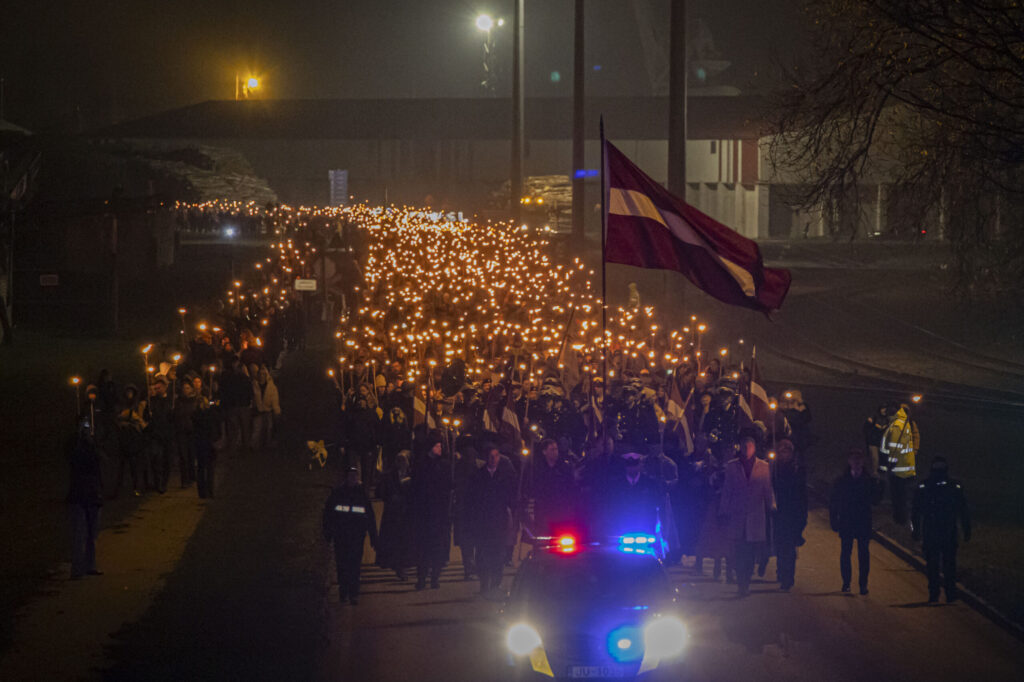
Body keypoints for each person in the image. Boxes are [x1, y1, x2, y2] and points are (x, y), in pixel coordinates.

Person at [719, 435, 776, 596]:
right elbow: (727, 489)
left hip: (755, 515)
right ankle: (740, 581)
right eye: (744, 447)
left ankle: (746, 581)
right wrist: (723, 510)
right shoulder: (732, 466)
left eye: (750, 447)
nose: (747, 450)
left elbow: (767, 489)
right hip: (737, 515)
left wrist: (771, 504)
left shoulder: (763, 466)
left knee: (750, 552)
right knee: (738, 551)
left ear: (754, 448)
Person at [912, 457, 971, 603]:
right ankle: (942, 594)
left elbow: (963, 510)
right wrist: (966, 529)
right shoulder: (930, 487)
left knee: (942, 564)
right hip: (940, 530)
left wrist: (916, 530)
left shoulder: (931, 486)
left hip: (940, 530)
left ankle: (940, 594)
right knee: (941, 564)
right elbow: (915, 511)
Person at [323, 466, 378, 604]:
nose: (353, 479)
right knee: (342, 564)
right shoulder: (337, 493)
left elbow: (370, 516)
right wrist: (328, 533)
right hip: (341, 535)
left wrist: (373, 536)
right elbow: (328, 514)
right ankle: (343, 592)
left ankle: (353, 593)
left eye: (355, 476)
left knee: (354, 565)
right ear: (346, 477)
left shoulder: (361, 494)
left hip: (356, 536)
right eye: (351, 476)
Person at [468, 443, 516, 596]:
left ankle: (496, 584)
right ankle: (484, 584)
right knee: (482, 555)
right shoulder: (478, 475)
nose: (494, 459)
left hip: (499, 521)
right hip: (483, 522)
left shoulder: (505, 476)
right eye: (491, 456)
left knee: (498, 554)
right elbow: (473, 499)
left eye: (496, 456)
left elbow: (510, 497)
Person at [830, 449, 874, 595]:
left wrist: (880, 484)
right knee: (846, 553)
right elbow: (834, 501)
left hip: (863, 521)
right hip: (847, 521)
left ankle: (863, 584)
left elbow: (876, 500)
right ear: (849, 461)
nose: (856, 462)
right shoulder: (842, 481)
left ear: (862, 462)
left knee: (863, 554)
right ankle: (846, 583)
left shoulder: (869, 480)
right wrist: (834, 519)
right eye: (854, 459)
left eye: (859, 459)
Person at [411, 435, 452, 590]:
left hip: (440, 514)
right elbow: (416, 487)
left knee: (437, 548)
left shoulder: (445, 465)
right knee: (423, 548)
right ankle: (421, 578)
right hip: (424, 513)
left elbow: (448, 486)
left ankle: (435, 577)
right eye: (437, 446)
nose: (440, 448)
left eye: (441, 446)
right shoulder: (422, 465)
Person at [67, 419, 103, 579]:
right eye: (84, 429)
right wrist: (79, 439)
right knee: (80, 533)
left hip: (93, 495)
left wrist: (92, 443)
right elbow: (72, 457)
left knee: (92, 533)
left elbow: (101, 460)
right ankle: (77, 569)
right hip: (79, 495)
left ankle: (90, 565)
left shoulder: (94, 448)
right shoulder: (75, 449)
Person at [771, 439, 807, 591]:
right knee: (780, 545)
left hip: (792, 513)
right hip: (779, 512)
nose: (784, 455)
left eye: (787, 452)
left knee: (790, 548)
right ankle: (781, 570)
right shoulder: (774, 470)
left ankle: (788, 577)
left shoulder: (797, 470)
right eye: (782, 452)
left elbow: (802, 494)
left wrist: (802, 516)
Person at [375, 452, 413, 580]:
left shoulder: (411, 475)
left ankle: (402, 566)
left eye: (404, 461)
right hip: (393, 514)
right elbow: (381, 492)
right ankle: (397, 566)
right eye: (399, 461)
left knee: (405, 542)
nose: (402, 464)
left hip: (406, 513)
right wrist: (391, 497)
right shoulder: (389, 476)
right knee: (395, 541)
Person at [529, 438, 576, 539]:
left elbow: (571, 487)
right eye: (552, 450)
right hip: (544, 510)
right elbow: (535, 488)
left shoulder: (564, 468)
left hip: (561, 509)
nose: (555, 452)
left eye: (556, 449)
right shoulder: (538, 469)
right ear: (544, 452)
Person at [881, 403, 919, 524]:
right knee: (902, 495)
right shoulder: (902, 423)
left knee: (898, 495)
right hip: (904, 466)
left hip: (898, 468)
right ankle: (902, 518)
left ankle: (901, 519)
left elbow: (894, 447)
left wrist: (890, 464)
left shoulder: (897, 425)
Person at [250, 365, 280, 450]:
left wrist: (276, 411)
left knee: (268, 429)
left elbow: (274, 399)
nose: (262, 376)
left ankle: (267, 445)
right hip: (258, 410)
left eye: (264, 374)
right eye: (260, 374)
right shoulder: (254, 385)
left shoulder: (271, 387)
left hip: (268, 410)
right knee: (257, 429)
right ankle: (255, 446)